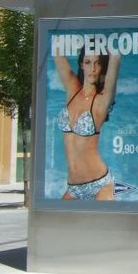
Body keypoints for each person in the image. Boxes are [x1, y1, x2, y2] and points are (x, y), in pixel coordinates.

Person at [54, 48, 121, 200]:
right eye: (88, 62)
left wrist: (105, 42)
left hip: (100, 184)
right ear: (81, 64)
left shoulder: (101, 101)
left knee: (104, 224)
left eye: (98, 63)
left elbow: (116, 57)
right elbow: (57, 51)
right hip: (73, 188)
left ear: (102, 67)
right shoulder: (73, 90)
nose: (93, 69)